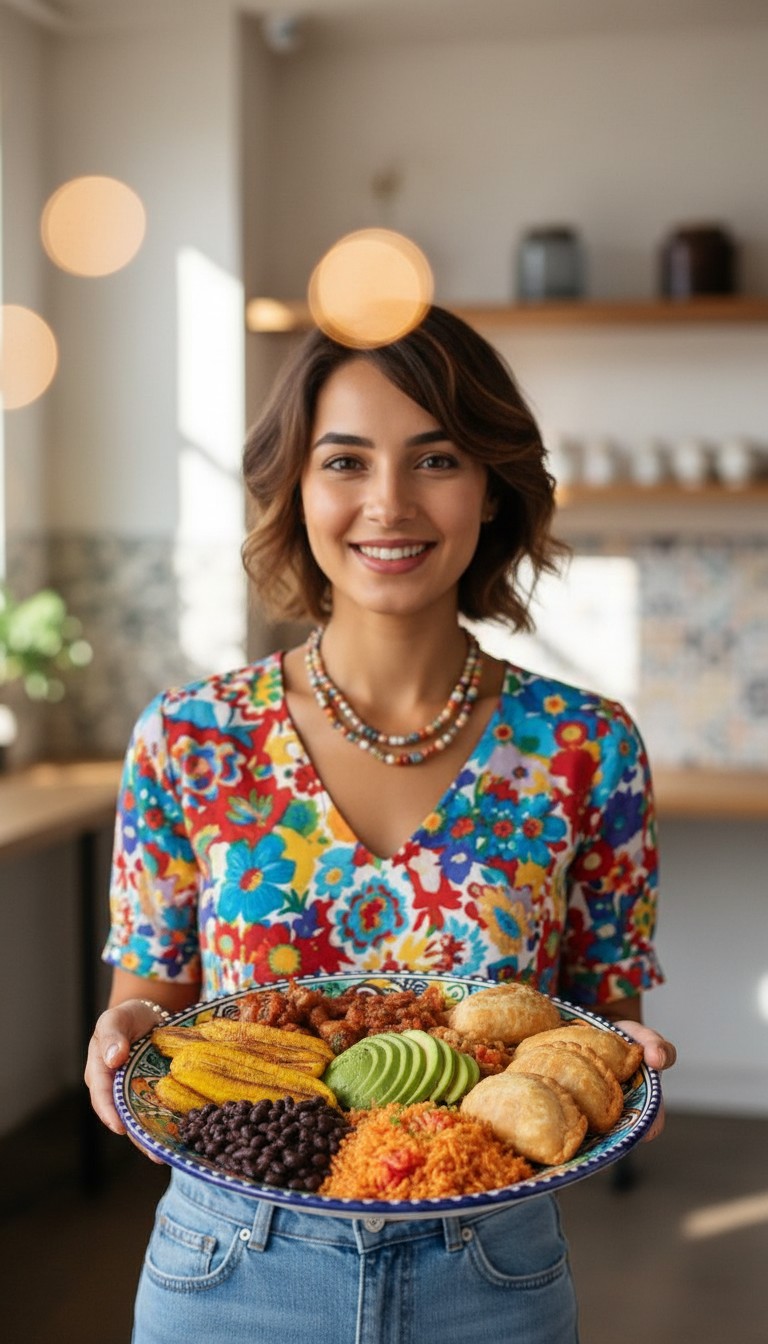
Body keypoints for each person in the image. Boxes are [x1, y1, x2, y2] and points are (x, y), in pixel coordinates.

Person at [85, 305, 676, 1344]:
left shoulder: (589, 748)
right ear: (298, 489)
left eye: (437, 457)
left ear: (492, 485)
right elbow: (156, 1022)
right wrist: (124, 1039)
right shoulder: (188, 738)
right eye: (346, 461)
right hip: (233, 1266)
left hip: (490, 1268)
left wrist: (619, 1060)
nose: (389, 504)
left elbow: (592, 1031)